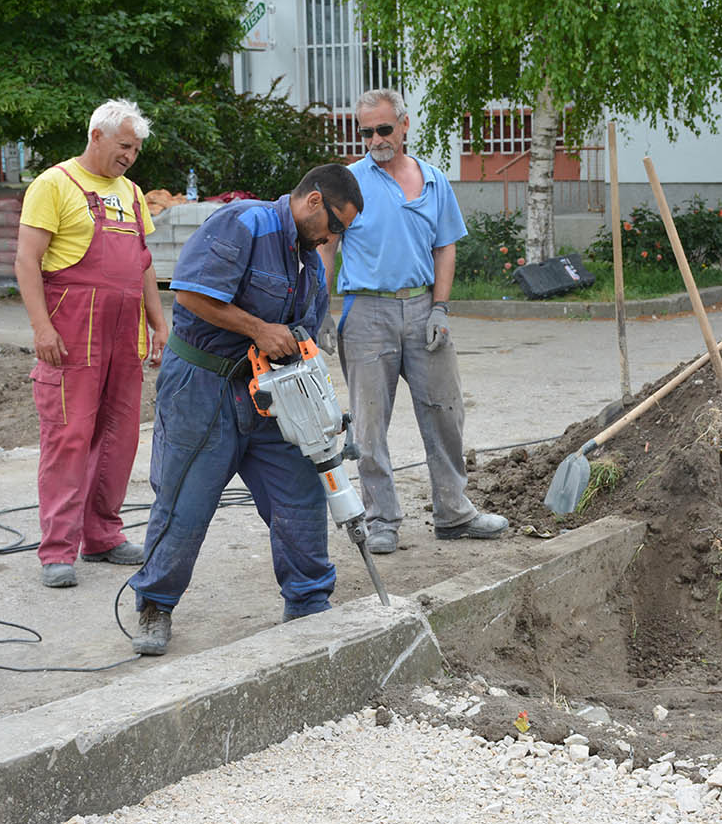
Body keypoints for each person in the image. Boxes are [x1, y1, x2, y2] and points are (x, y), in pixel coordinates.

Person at [126, 164, 363, 655]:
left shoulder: (309, 261)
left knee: (299, 494)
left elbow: (303, 333)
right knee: (185, 501)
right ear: (314, 202)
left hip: (270, 394)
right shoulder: (243, 223)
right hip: (202, 387)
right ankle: (154, 604)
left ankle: (309, 601)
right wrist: (259, 329)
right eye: (336, 225)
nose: (334, 237)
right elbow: (189, 292)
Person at [322, 88, 508, 556]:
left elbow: (445, 245)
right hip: (366, 311)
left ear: (404, 125)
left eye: (384, 129)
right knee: (368, 424)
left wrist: (441, 308)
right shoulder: (350, 184)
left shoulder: (433, 180)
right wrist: (320, 309)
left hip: (424, 307)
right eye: (367, 132)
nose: (376, 140)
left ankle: (453, 512)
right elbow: (326, 246)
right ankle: (382, 519)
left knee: (445, 410)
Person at [15, 99, 168, 589]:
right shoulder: (54, 184)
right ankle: (58, 550)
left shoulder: (132, 193)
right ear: (96, 136)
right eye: (125, 146)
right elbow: (26, 261)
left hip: (124, 333)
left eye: (137, 149)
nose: (131, 156)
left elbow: (141, 264)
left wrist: (158, 322)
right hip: (72, 328)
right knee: (69, 436)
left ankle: (102, 534)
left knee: (119, 436)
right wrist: (42, 328)